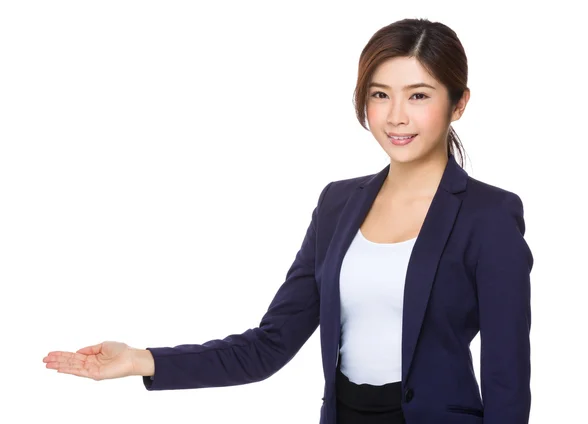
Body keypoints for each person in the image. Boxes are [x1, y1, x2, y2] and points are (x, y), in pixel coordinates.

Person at [42, 18, 533, 424]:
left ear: (459, 102)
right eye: (381, 95)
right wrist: (142, 359)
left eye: (419, 96)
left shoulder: (488, 216)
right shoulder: (338, 204)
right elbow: (269, 345)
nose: (396, 116)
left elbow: (506, 383)